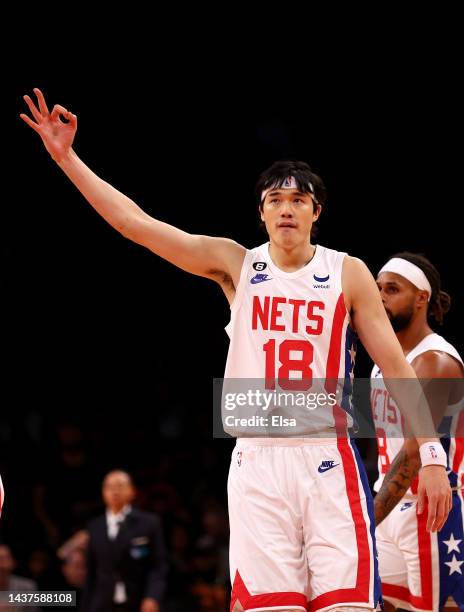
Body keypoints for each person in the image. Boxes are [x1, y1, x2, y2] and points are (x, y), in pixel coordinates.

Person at [21, 88, 452, 612]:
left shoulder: (348, 271)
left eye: (298, 200)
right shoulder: (236, 264)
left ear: (316, 211)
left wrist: (431, 455)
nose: (286, 209)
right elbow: (136, 224)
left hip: (328, 456)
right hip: (257, 460)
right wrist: (67, 158)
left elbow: (396, 367)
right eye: (276, 200)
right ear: (262, 214)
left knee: (349, 605)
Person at [371, 253, 464, 611]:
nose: (380, 297)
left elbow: (413, 455)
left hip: (434, 513)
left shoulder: (435, 361)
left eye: (392, 289)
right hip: (391, 505)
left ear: (422, 297)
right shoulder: (388, 360)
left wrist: (363, 520)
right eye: (378, 288)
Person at [82, 470, 167, 612]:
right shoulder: (95, 526)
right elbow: (91, 573)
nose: (115, 491)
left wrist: (152, 597)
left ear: (132, 491)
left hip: (137, 601)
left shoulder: (148, 523)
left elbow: (158, 566)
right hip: (101, 603)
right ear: (103, 492)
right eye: (109, 487)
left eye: (120, 486)